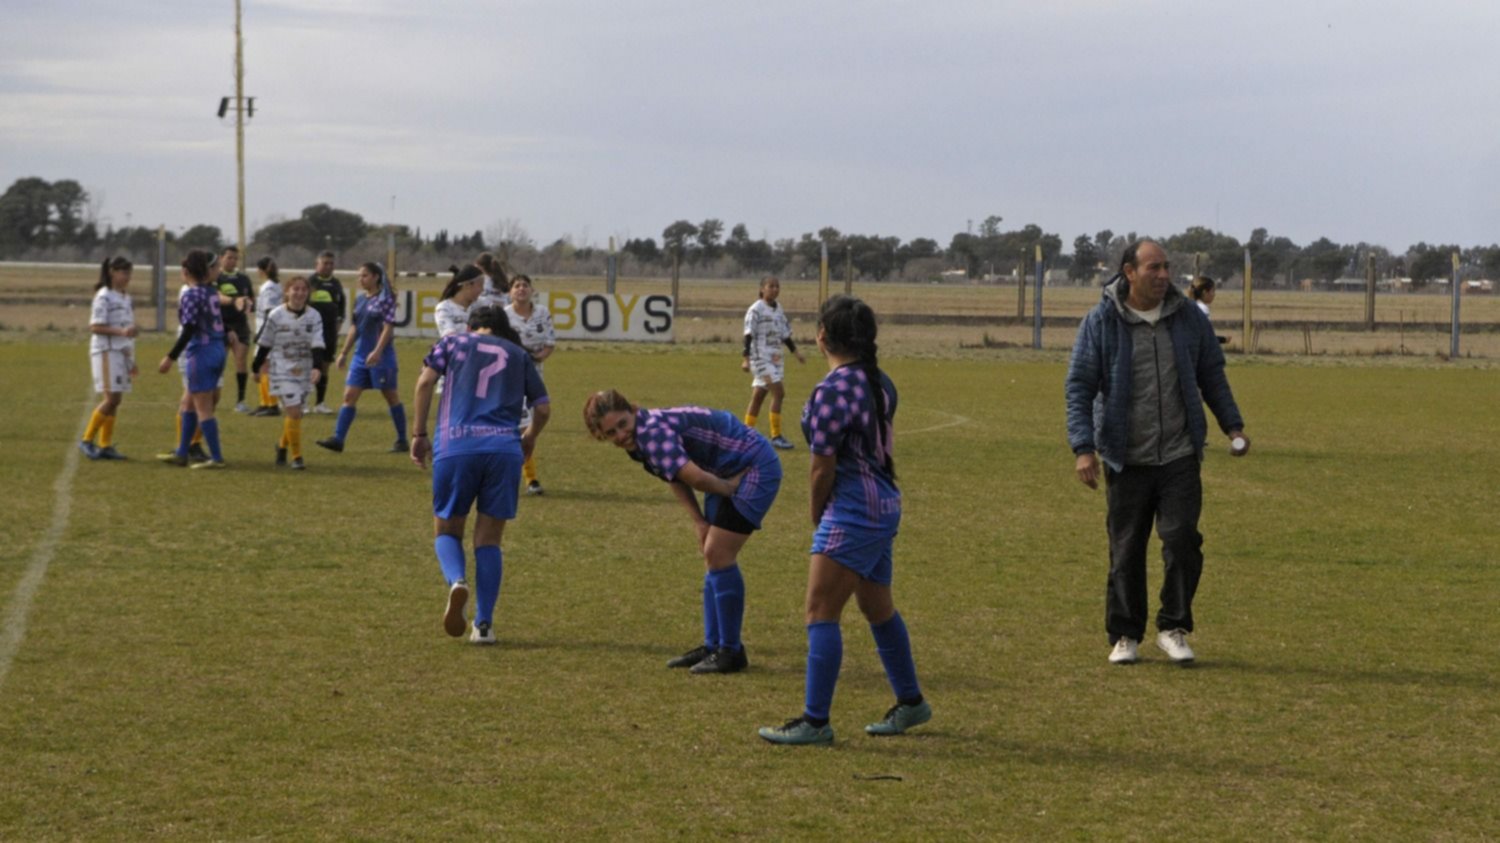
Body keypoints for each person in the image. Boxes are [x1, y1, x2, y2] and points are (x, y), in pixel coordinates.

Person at [1065, 240, 1249, 666]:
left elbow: (1212, 375)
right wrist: (1083, 448)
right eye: (1154, 267)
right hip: (1125, 457)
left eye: (1167, 267)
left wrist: (1232, 425)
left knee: (1183, 539)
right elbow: (1079, 386)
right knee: (1126, 549)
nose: (1164, 275)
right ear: (1129, 272)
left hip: (1180, 454)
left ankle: (1173, 627)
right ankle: (1125, 635)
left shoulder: (1187, 319)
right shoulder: (1101, 321)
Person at [758, 295, 929, 746]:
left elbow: (822, 466)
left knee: (820, 611)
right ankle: (911, 703)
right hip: (884, 504)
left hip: (854, 510)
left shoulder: (831, 391)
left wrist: (818, 514)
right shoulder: (880, 381)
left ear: (821, 337)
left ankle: (815, 721)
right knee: (876, 607)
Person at [583, 389, 782, 675]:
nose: (621, 435)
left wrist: (729, 488)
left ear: (633, 412)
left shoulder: (650, 433)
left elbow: (695, 477)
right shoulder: (639, 439)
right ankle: (713, 645)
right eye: (611, 432)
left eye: (623, 425)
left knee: (719, 552)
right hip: (722, 470)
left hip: (752, 465)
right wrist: (699, 522)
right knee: (712, 554)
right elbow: (673, 475)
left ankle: (731, 651)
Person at [411, 306, 550, 644]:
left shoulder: (452, 343)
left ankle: (457, 580)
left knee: (446, 529)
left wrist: (418, 435)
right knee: (488, 540)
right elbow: (543, 408)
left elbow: (425, 382)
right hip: (503, 450)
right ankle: (484, 625)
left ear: (471, 326)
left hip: (455, 446)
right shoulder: (518, 354)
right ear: (503, 330)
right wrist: (529, 437)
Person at [317, 262, 409, 454]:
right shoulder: (360, 300)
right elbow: (354, 328)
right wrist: (343, 353)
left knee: (391, 397)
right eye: (359, 275)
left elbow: (388, 328)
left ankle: (402, 440)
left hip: (382, 358)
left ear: (376, 277)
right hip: (360, 357)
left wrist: (377, 351)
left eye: (364, 275)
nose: (360, 279)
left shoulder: (386, 299)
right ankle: (338, 439)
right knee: (349, 396)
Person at [156, 250, 229, 469]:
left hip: (202, 352)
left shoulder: (191, 294)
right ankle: (182, 452)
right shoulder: (211, 292)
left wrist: (170, 357)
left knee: (202, 407)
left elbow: (189, 329)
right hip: (217, 349)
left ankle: (216, 458)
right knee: (188, 402)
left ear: (186, 271)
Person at [252, 275, 325, 470]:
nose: (300, 293)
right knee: (292, 410)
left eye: (303, 289)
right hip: (281, 368)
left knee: (297, 414)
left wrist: (317, 367)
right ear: (287, 291)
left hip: (305, 368)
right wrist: (256, 366)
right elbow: (265, 342)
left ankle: (282, 446)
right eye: (296, 289)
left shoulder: (314, 316)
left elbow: (317, 344)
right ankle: (297, 457)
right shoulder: (276, 315)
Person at [81, 257, 137, 460]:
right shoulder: (104, 296)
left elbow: (126, 327)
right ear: (113, 272)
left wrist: (130, 357)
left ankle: (105, 445)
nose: (128, 277)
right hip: (106, 351)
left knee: (116, 399)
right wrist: (122, 332)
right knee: (111, 398)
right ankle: (86, 439)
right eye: (125, 273)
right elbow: (95, 326)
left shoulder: (125, 297)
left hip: (121, 352)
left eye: (130, 273)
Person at [504, 273, 556, 495]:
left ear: (532, 290)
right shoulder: (504, 316)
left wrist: (537, 358)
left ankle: (522, 474)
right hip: (512, 376)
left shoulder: (542, 313)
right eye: (517, 286)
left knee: (531, 427)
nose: (521, 289)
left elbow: (550, 343)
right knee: (524, 427)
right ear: (510, 292)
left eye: (525, 285)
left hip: (535, 375)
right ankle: (530, 478)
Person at [741, 275, 805, 450]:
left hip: (776, 359)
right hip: (761, 360)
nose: (775, 289)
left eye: (777, 286)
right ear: (762, 289)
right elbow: (748, 335)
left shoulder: (779, 309)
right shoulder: (756, 309)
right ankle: (776, 436)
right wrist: (746, 360)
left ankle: (745, 435)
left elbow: (785, 335)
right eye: (771, 286)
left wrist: (796, 353)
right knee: (779, 393)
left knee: (759, 396)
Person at [216, 246, 256, 413]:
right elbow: (214, 297)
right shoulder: (216, 277)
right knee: (218, 362)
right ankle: (211, 396)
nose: (232, 261)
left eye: (235, 258)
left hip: (240, 325)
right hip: (221, 324)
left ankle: (240, 400)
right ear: (221, 258)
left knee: (241, 362)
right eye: (229, 257)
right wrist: (235, 300)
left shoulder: (243, 278)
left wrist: (250, 304)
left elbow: (251, 299)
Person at [307, 250, 346, 413]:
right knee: (308, 365)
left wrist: (338, 323)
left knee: (324, 366)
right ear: (317, 264)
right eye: (325, 263)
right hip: (311, 331)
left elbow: (341, 307)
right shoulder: (310, 282)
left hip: (329, 331)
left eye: (331, 263)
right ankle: (302, 401)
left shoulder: (336, 284)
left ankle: (320, 403)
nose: (328, 266)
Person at [249, 256, 285, 416]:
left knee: (265, 367)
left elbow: (270, 312)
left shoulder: (268, 287)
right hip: (271, 330)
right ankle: (265, 403)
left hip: (268, 331)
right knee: (264, 367)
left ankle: (272, 405)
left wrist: (261, 334)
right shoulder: (276, 285)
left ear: (262, 270)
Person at [436, 265, 484, 338]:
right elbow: (450, 337)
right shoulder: (444, 308)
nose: (482, 290)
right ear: (467, 285)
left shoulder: (482, 305)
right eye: (480, 285)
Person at [1189, 275, 1230, 345]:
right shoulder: (1203, 309)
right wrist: (1222, 340)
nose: (1214, 294)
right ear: (1204, 292)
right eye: (1213, 291)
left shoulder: (1191, 306)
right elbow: (1205, 336)